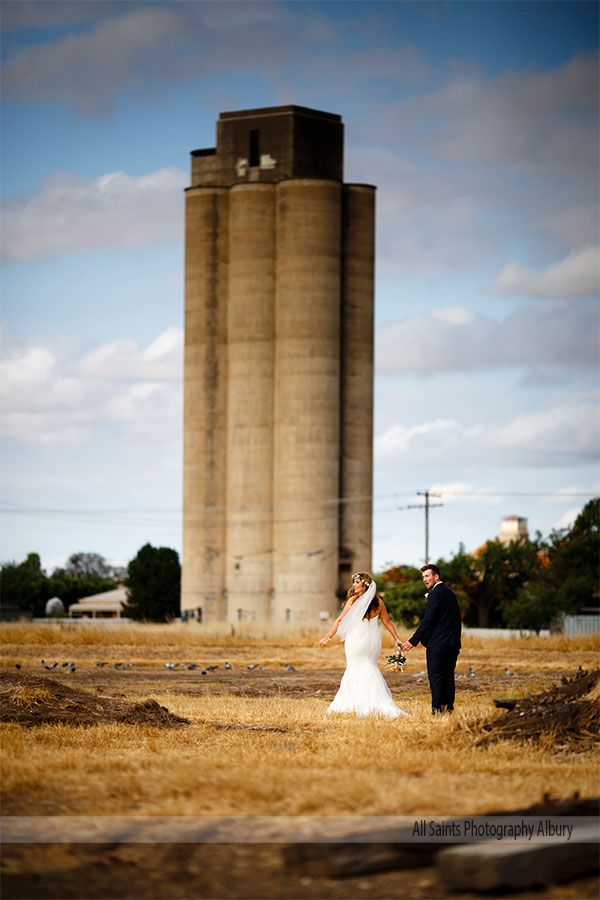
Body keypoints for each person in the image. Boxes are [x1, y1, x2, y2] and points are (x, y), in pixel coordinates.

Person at [319, 573, 407, 718]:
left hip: (357, 640)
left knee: (354, 667)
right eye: (354, 582)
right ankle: (375, 702)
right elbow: (387, 622)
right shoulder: (378, 602)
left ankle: (354, 703)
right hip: (373, 641)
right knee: (370, 666)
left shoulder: (354, 601)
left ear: (365, 585)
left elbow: (339, 620)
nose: (354, 585)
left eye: (357, 582)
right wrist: (396, 638)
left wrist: (327, 637)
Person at [400, 564, 461, 715]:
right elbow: (456, 620)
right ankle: (448, 709)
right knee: (448, 677)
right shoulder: (450, 594)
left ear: (436, 576)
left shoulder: (435, 594)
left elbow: (428, 621)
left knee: (436, 677)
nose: (425, 580)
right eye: (423, 577)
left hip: (438, 644)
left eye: (427, 576)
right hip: (452, 644)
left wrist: (412, 641)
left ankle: (438, 710)